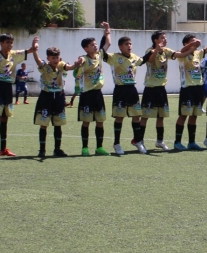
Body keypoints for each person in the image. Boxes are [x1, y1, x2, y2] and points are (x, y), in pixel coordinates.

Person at [0, 31, 39, 157]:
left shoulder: (14, 55)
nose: (10, 45)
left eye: (11, 42)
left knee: (5, 117)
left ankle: (4, 148)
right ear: (1, 43)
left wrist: (34, 46)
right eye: (7, 42)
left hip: (7, 88)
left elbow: (29, 50)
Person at [138, 30, 198, 151]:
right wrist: (156, 50)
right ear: (156, 40)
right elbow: (149, 60)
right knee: (145, 116)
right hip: (150, 88)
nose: (165, 40)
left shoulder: (167, 51)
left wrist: (192, 47)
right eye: (162, 38)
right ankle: (140, 141)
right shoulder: (149, 51)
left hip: (161, 88)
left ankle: (160, 141)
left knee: (161, 116)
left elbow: (180, 54)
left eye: (165, 38)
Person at [102, 30, 156, 155]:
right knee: (119, 118)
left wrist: (153, 51)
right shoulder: (114, 57)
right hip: (120, 90)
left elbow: (143, 60)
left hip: (132, 90)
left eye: (130, 44)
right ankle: (116, 144)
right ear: (120, 46)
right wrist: (106, 34)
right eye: (126, 44)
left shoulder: (134, 57)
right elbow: (102, 53)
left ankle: (138, 141)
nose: (129, 46)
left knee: (136, 117)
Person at [32, 46, 82, 157]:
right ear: (48, 58)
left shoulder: (61, 65)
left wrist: (76, 64)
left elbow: (70, 67)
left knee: (58, 124)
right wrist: (34, 50)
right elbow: (38, 61)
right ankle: (42, 150)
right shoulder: (44, 67)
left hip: (59, 97)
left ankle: (57, 149)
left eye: (57, 57)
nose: (55, 60)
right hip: (46, 97)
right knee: (44, 124)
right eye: (53, 58)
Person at [173, 25, 207, 150]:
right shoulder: (182, 55)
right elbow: (180, 51)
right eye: (192, 41)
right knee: (183, 115)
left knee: (194, 115)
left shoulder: (198, 54)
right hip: (187, 88)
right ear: (186, 43)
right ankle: (177, 142)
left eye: (196, 41)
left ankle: (191, 142)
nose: (195, 43)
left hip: (198, 87)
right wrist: (191, 45)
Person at [76, 23, 111, 156]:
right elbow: (76, 69)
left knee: (100, 121)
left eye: (96, 44)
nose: (95, 46)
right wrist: (77, 65)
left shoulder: (100, 55)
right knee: (86, 122)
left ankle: (99, 147)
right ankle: (85, 148)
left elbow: (108, 43)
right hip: (87, 95)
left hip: (98, 94)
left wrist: (107, 30)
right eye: (92, 45)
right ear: (86, 48)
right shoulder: (83, 59)